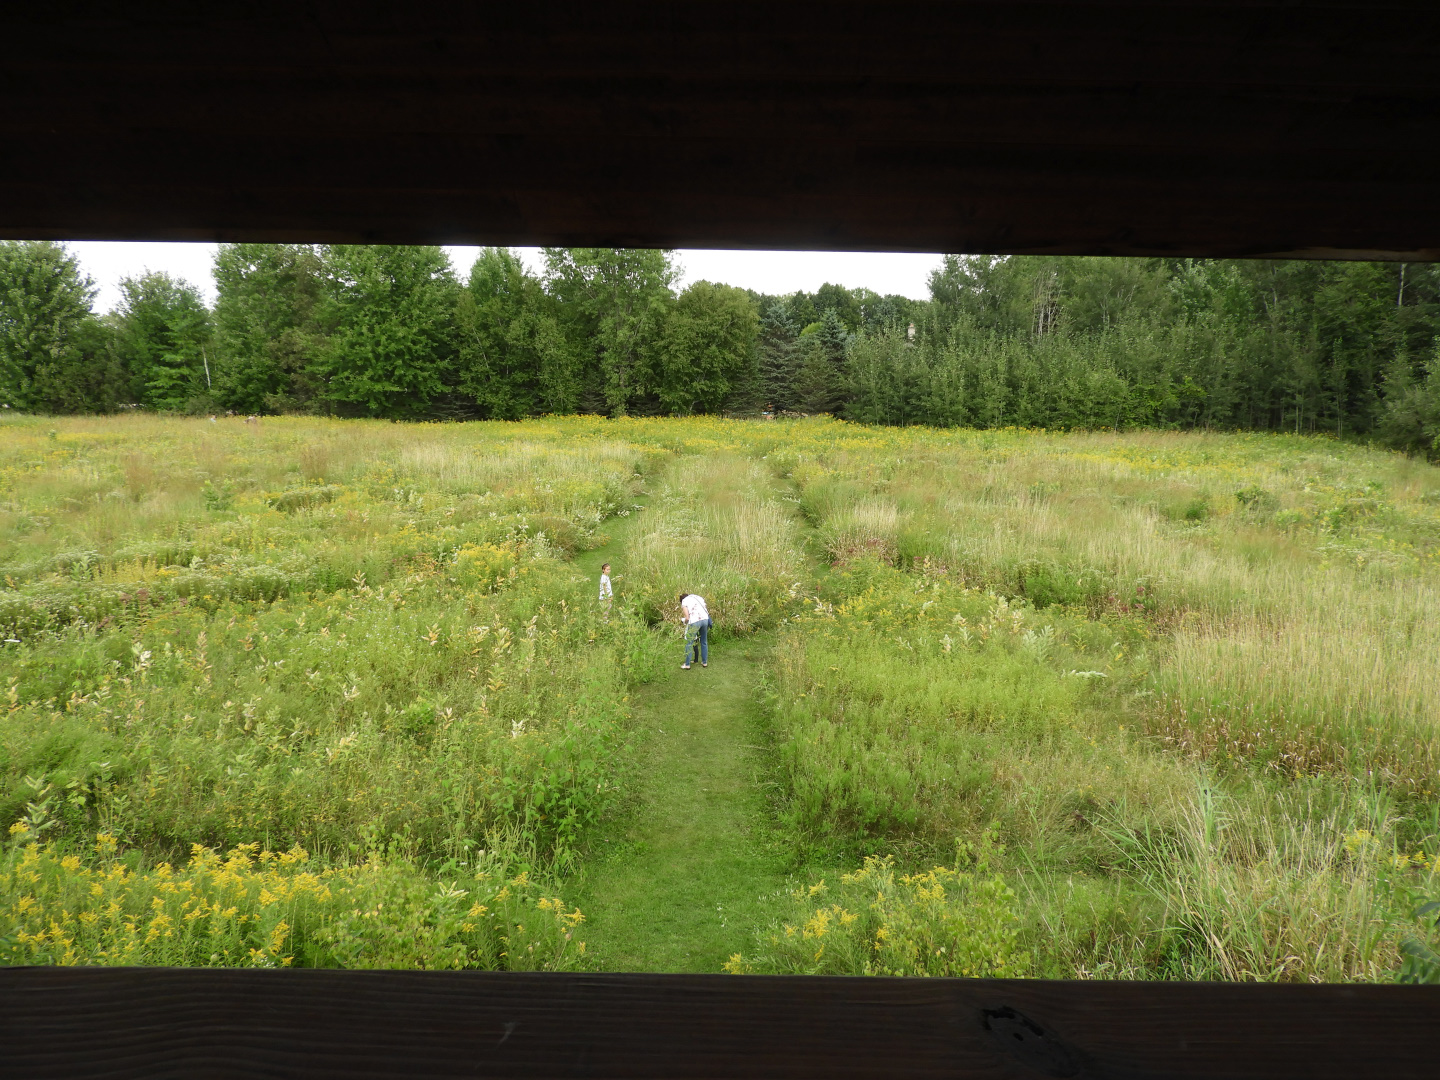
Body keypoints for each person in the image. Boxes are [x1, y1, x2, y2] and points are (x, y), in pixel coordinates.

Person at [679, 591, 711, 669]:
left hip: (694, 621)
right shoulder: (698, 597)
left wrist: (684, 621)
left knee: (689, 643)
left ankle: (687, 664)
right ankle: (704, 662)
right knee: (704, 642)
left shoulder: (684, 601)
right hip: (705, 620)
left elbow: (687, 617)